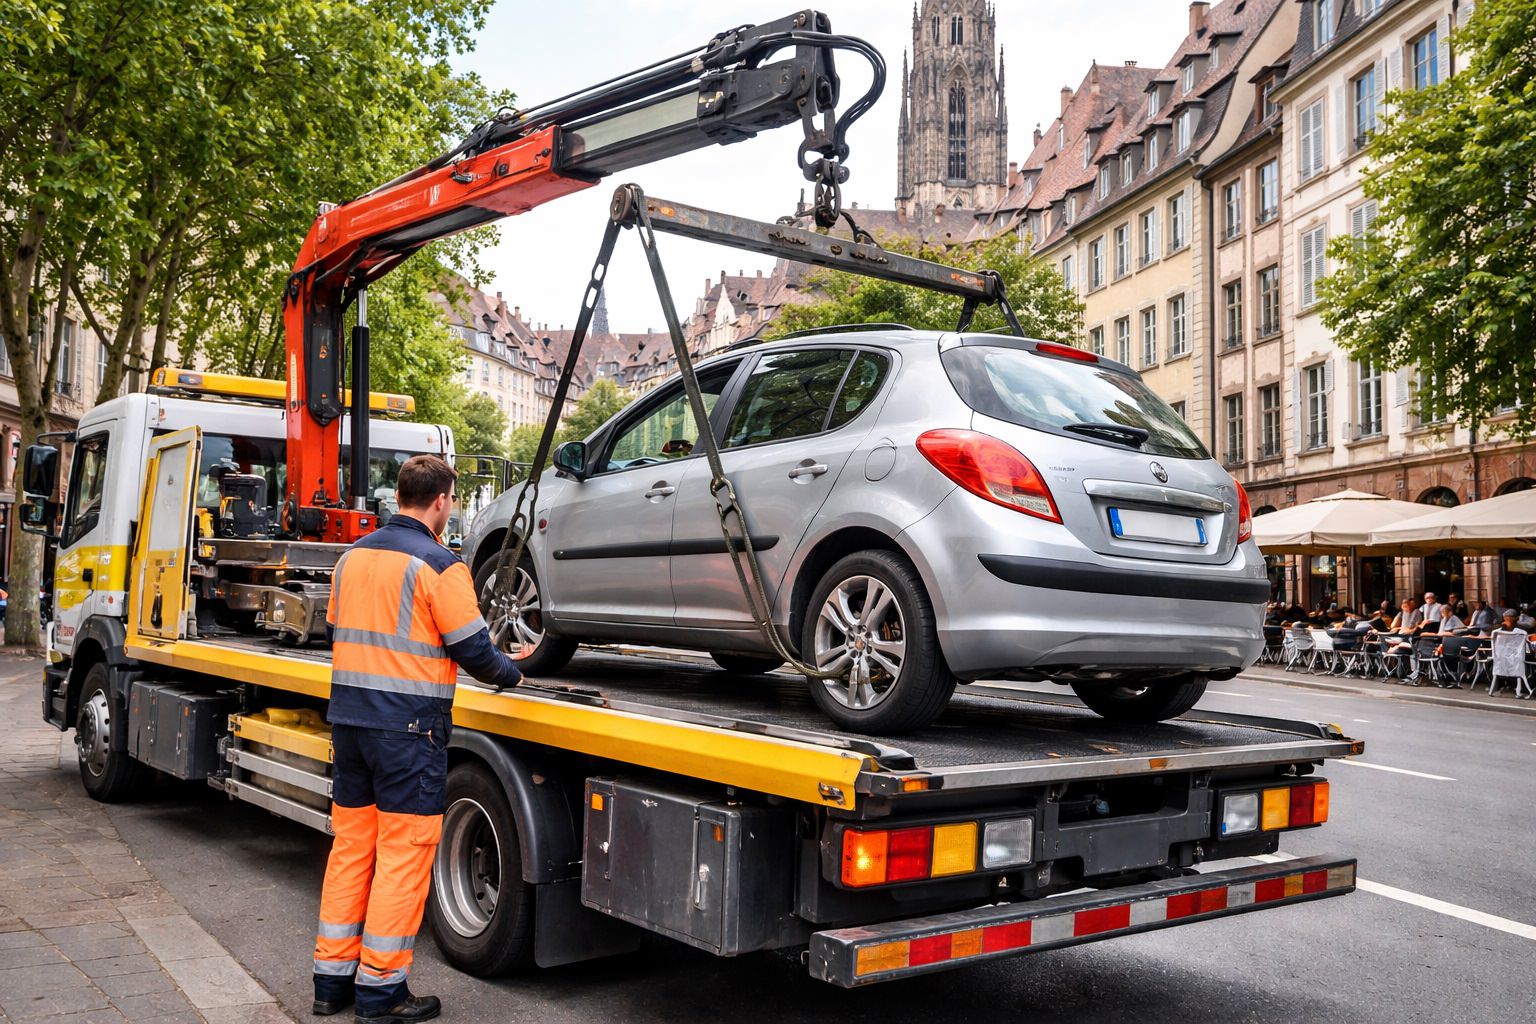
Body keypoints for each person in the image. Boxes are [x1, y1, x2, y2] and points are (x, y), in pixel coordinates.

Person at [313, 456, 523, 1023]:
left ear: (401, 494)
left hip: (351, 724)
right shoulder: (440, 565)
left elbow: (336, 630)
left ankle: (331, 983)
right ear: (441, 502)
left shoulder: (352, 558)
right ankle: (382, 993)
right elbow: (474, 650)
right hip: (408, 732)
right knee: (403, 859)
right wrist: (515, 672)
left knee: (352, 849)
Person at [1489, 610, 1532, 698]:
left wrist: (1502, 625)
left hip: (1501, 661)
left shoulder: (1497, 631)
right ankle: (1520, 687)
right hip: (1517, 661)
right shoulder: (1522, 630)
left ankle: (1500, 685)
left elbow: (1490, 629)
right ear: (1517, 618)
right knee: (1527, 659)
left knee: (1491, 660)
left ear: (1504, 618)